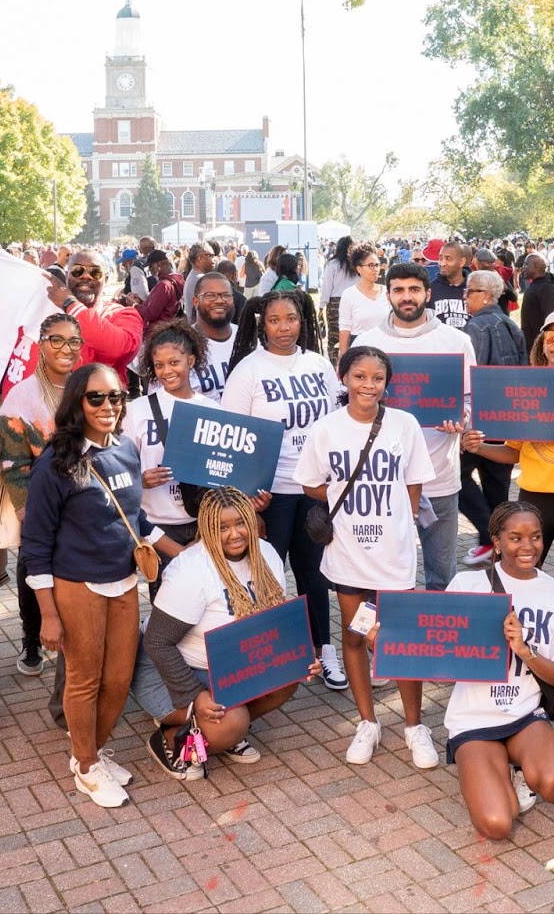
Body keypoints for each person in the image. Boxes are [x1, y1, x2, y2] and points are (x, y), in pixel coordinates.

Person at [20, 363, 172, 807]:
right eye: (96, 398)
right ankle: (85, 765)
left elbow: (136, 518)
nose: (108, 406)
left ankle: (94, 750)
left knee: (120, 677)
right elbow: (35, 543)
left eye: (116, 397)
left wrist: (182, 552)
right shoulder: (55, 462)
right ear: (77, 403)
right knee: (85, 680)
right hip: (77, 586)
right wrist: (47, 612)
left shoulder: (126, 448)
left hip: (124, 580)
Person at [295, 346, 438, 767]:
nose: (368, 385)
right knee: (355, 635)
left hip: (393, 553)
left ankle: (415, 726)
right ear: (344, 378)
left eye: (377, 378)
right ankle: (367, 722)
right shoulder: (326, 429)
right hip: (348, 552)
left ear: (386, 383)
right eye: (360, 376)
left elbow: (414, 482)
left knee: (402, 641)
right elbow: (309, 484)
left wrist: (404, 519)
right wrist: (345, 494)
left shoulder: (404, 425)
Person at [461, 310, 554, 683]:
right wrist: (479, 449)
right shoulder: (528, 388)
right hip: (533, 498)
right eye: (550, 335)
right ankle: (528, 654)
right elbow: (514, 452)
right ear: (541, 344)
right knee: (528, 580)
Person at [139, 488, 319, 777]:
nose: (234, 534)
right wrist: (196, 695)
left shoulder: (267, 555)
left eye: (240, 523)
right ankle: (172, 738)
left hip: (227, 667)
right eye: (222, 527)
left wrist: (300, 657)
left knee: (287, 679)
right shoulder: (191, 569)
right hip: (170, 671)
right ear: (208, 528)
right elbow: (157, 642)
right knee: (231, 723)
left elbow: (275, 622)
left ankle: (219, 730)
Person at [220, 291, 344, 687]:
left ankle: (325, 651)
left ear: (301, 320)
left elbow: (335, 423)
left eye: (290, 318)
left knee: (314, 574)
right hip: (268, 495)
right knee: (266, 576)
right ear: (263, 325)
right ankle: (271, 659)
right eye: (275, 320)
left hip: (313, 491)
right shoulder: (248, 371)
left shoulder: (319, 364)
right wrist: (246, 498)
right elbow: (233, 437)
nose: (284, 327)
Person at [444, 502, 554, 837]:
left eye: (535, 537)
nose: (528, 546)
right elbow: (435, 656)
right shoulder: (467, 585)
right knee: (497, 824)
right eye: (515, 537)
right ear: (496, 542)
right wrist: (385, 643)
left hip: (524, 714)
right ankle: (493, 769)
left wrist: (525, 651)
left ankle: (521, 767)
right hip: (475, 719)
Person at [354, 263, 476, 593]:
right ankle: (385, 638)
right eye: (398, 290)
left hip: (439, 475)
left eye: (414, 290)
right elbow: (350, 402)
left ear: (427, 293)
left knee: (441, 573)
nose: (406, 297)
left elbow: (470, 398)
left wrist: (461, 420)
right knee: (382, 573)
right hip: (382, 481)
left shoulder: (456, 341)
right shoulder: (367, 342)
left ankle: (437, 640)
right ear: (388, 295)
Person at [0, 312, 85, 677]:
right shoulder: (23, 395)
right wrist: (25, 510)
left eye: (73, 341)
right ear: (42, 345)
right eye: (57, 340)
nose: (66, 348)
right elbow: (14, 462)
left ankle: (77, 637)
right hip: (40, 501)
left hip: (85, 499)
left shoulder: (87, 384)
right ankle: (32, 638)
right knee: (33, 568)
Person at [458, 269, 527, 563]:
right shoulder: (512, 325)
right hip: (508, 418)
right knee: (498, 486)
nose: (464, 297)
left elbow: (470, 378)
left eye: (469, 291)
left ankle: (491, 536)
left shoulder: (477, 328)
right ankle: (498, 544)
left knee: (455, 476)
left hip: (482, 419)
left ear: (486, 295)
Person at [135, 322, 210, 558]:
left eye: (174, 362)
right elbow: (121, 467)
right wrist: (141, 480)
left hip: (204, 521)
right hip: (157, 525)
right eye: (159, 365)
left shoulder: (211, 409)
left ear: (191, 360)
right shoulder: (138, 410)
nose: (166, 371)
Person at [41, 250, 144, 373]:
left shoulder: (123, 314)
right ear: (67, 275)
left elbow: (120, 350)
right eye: (77, 271)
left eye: (95, 272)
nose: (86, 276)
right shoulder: (48, 314)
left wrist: (70, 304)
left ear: (105, 279)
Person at [187, 271, 238, 401]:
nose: (219, 301)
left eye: (226, 295)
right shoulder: (181, 343)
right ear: (196, 301)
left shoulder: (250, 339)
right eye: (210, 295)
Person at [337, 243, 389, 356]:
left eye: (377, 265)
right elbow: (345, 328)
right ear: (359, 269)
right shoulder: (349, 294)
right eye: (370, 265)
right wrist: (343, 356)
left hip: (385, 350)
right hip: (359, 352)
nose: (375, 269)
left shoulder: (387, 293)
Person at [319, 235, 359, 363]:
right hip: (355, 300)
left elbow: (326, 286)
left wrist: (321, 306)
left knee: (334, 337)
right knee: (353, 334)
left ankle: (335, 364)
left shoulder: (332, 264)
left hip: (335, 304)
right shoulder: (357, 265)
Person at [429, 241, 470, 329]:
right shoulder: (430, 289)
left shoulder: (474, 288)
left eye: (448, 259)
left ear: (461, 262)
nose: (442, 263)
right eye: (440, 258)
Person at [138, 250, 186, 324]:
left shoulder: (164, 285)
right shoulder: (176, 279)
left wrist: (134, 306)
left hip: (159, 329)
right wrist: (141, 302)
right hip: (170, 325)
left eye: (150, 266)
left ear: (159, 265)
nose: (149, 270)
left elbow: (151, 314)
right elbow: (160, 304)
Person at [181, 243, 217, 327]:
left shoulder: (195, 276)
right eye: (211, 256)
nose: (214, 260)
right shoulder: (201, 280)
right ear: (200, 258)